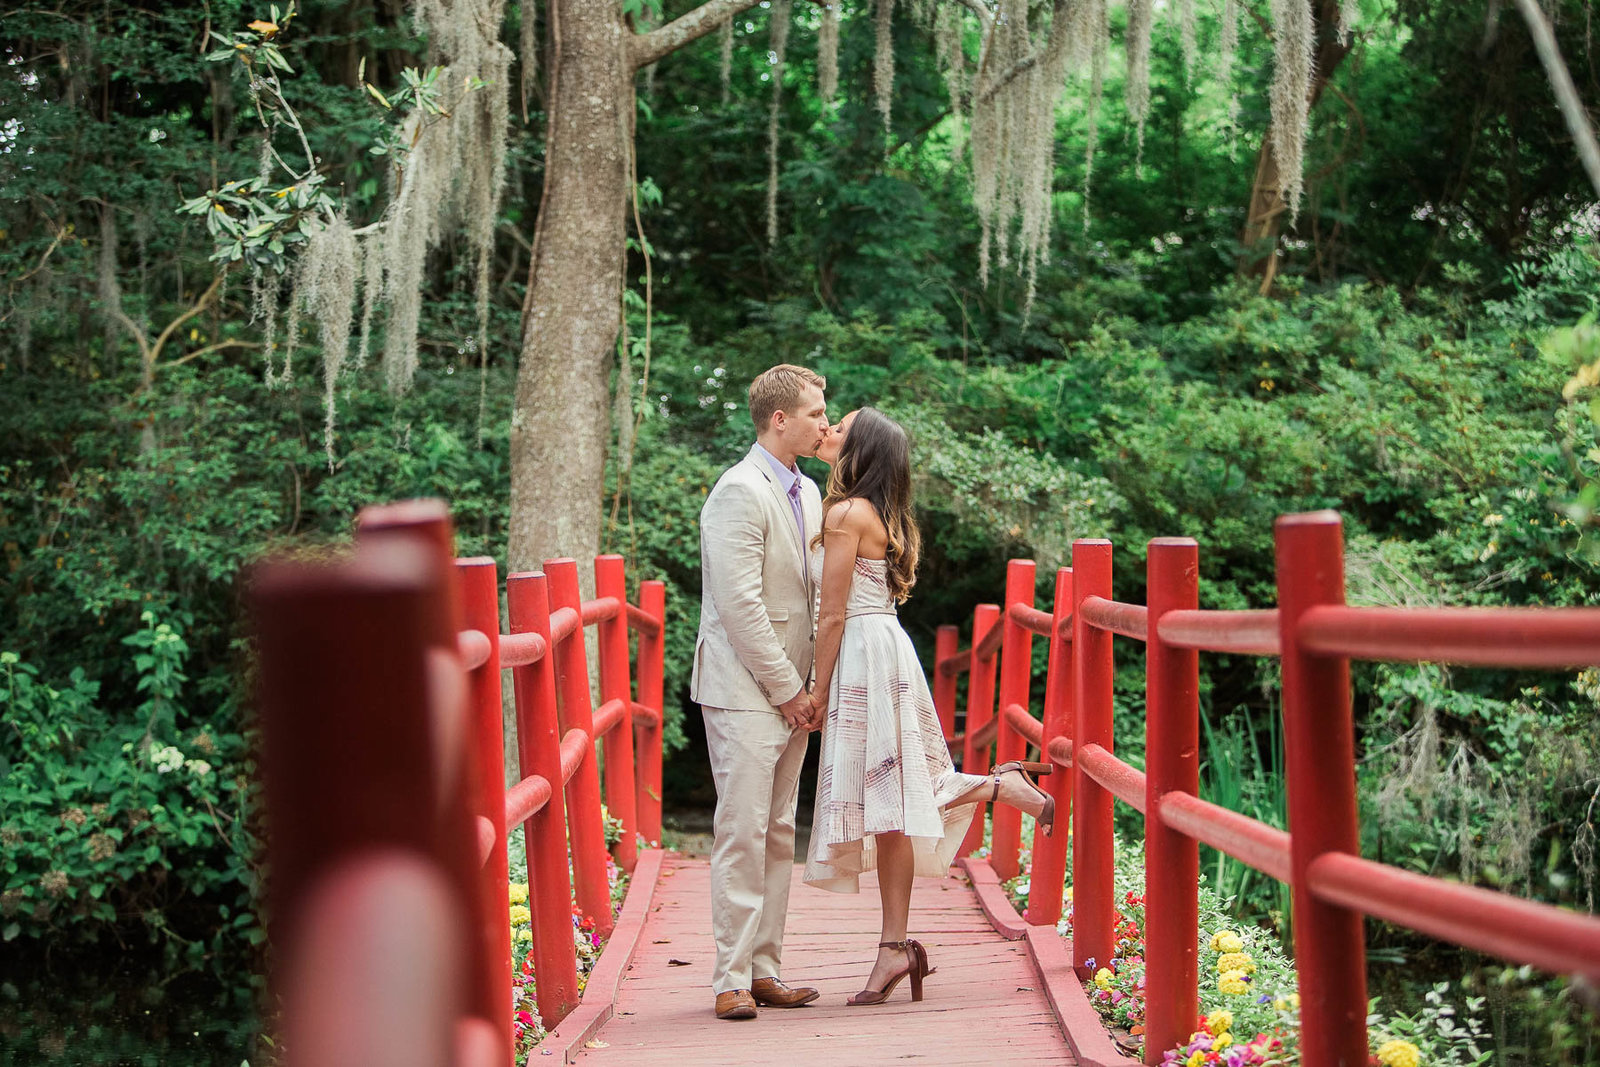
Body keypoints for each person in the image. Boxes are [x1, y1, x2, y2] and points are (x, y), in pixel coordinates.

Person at [803, 407, 1055, 1006]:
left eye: (839, 427)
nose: (828, 431)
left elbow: (832, 613)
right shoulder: (875, 512)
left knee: (890, 794)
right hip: (885, 648)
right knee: (888, 808)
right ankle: (894, 948)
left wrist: (816, 690)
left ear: (857, 451)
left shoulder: (843, 513)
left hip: (862, 652)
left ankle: (996, 788)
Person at [691, 364, 831, 1021]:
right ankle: (730, 977)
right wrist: (785, 689)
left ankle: (765, 966)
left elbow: (815, 593)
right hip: (745, 689)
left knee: (779, 831)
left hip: (795, 691)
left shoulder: (809, 491)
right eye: (813, 411)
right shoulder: (738, 490)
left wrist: (814, 686)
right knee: (742, 830)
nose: (823, 421)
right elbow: (739, 605)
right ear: (779, 418)